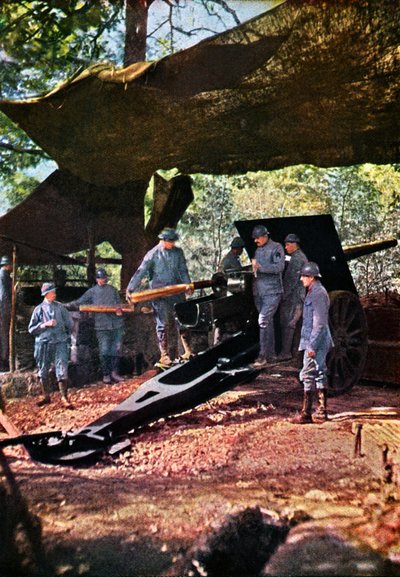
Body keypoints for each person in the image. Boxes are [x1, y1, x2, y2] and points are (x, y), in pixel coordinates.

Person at [126, 228, 193, 366]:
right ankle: (164, 355)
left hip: (176, 291)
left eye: (174, 242)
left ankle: (188, 350)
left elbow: (182, 270)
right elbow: (141, 272)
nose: (173, 244)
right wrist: (130, 288)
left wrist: (188, 284)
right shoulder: (152, 254)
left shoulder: (178, 252)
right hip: (159, 293)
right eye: (170, 242)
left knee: (182, 320)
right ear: (163, 241)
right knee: (162, 324)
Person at [66, 268, 124, 384]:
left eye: (104, 278)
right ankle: (106, 374)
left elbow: (119, 305)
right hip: (101, 326)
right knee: (104, 350)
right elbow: (80, 301)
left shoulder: (113, 290)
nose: (102, 280)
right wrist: (67, 305)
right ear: (97, 279)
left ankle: (114, 373)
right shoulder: (92, 292)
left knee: (116, 350)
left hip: (116, 325)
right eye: (100, 278)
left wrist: (119, 311)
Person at [293, 261, 334, 424]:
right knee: (318, 372)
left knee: (308, 374)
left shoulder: (318, 293)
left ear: (311, 277)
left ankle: (306, 414)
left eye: (303, 276)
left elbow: (320, 323)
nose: (301, 279)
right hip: (313, 339)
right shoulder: (313, 291)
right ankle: (321, 411)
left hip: (316, 340)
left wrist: (311, 345)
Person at [28, 283, 73, 407]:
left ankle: (64, 397)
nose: (54, 294)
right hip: (44, 343)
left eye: (54, 292)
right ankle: (46, 396)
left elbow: (70, 324)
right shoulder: (38, 309)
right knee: (43, 370)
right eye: (52, 292)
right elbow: (31, 329)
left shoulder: (60, 308)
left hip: (60, 342)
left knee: (62, 368)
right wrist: (44, 324)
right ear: (46, 294)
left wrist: (66, 335)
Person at [250, 225, 285, 368]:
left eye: (257, 238)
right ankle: (271, 355)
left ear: (265, 236)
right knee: (267, 323)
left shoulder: (277, 248)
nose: (255, 241)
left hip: (272, 291)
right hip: (259, 292)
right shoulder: (258, 250)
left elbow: (279, 267)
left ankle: (262, 356)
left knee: (263, 320)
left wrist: (260, 268)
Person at [278, 233, 308, 360]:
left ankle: (286, 353)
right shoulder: (299, 256)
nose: (286, 247)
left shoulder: (297, 258)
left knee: (288, 323)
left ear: (294, 244)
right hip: (297, 296)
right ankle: (289, 352)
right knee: (291, 324)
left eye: (287, 244)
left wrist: (283, 295)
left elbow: (291, 279)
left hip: (293, 297)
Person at [0, 255, 12, 371]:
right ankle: (3, 360)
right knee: (3, 335)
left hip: (3, 308)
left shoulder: (5, 276)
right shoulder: (2, 275)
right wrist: (8, 309)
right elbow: (3, 296)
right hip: (3, 310)